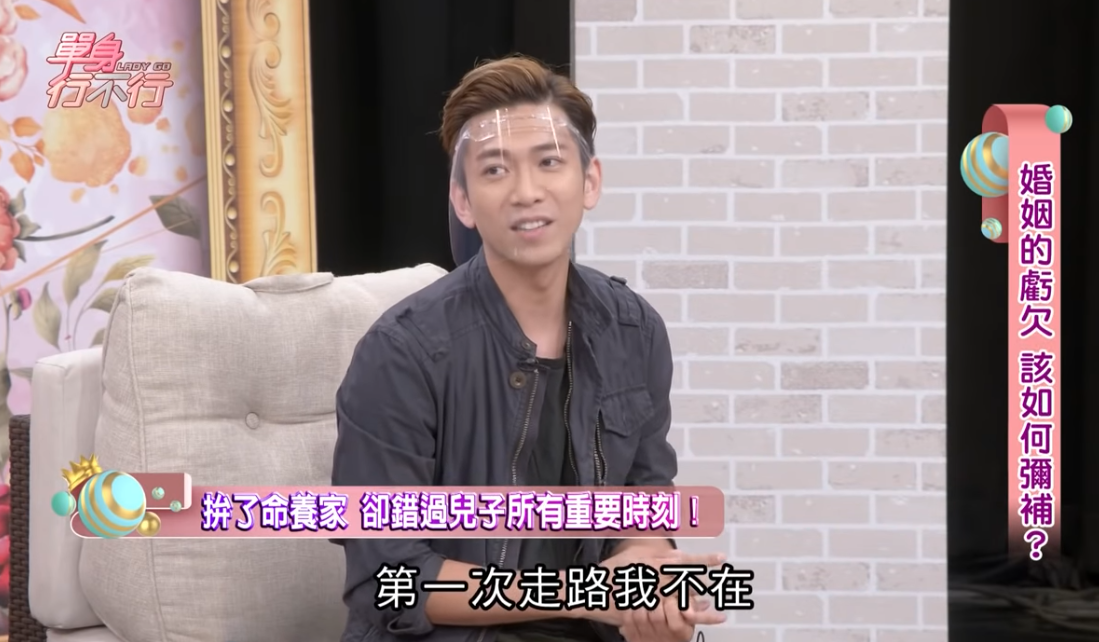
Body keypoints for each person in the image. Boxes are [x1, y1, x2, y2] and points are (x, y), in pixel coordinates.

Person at [332, 55, 726, 642]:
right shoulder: (401, 353)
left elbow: (644, 507)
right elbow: (388, 579)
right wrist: (586, 593)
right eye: (495, 169)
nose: (526, 192)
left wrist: (650, 579)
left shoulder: (634, 330)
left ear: (589, 182)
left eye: (549, 162)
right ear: (463, 200)